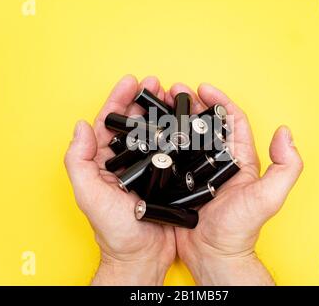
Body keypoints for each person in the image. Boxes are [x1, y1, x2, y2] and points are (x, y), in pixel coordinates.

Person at [64, 75, 303, 285]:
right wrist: (225, 258)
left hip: (167, 195)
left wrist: (130, 264)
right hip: (164, 194)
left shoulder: (179, 150)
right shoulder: (174, 147)